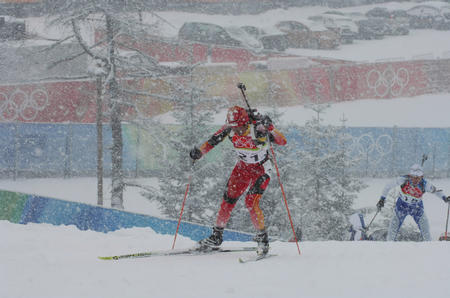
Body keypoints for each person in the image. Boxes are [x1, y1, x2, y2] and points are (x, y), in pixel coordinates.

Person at [189, 105, 287, 255]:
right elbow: (212, 141)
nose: (236, 131)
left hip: (261, 169)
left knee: (251, 201)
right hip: (242, 168)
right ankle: (216, 236)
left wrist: (271, 128)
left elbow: (282, 141)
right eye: (233, 127)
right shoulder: (230, 128)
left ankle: (263, 241)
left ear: (246, 123)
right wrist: (199, 152)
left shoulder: (258, 128)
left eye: (240, 128)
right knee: (228, 200)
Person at [376, 164, 450, 241]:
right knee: (392, 231)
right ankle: (388, 247)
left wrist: (445, 198)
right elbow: (388, 186)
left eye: (417, 178)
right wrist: (382, 199)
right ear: (410, 175)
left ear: (422, 177)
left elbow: (436, 191)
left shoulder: (425, 184)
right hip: (401, 206)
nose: (415, 180)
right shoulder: (404, 179)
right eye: (413, 177)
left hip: (416, 208)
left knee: (426, 231)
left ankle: (429, 247)